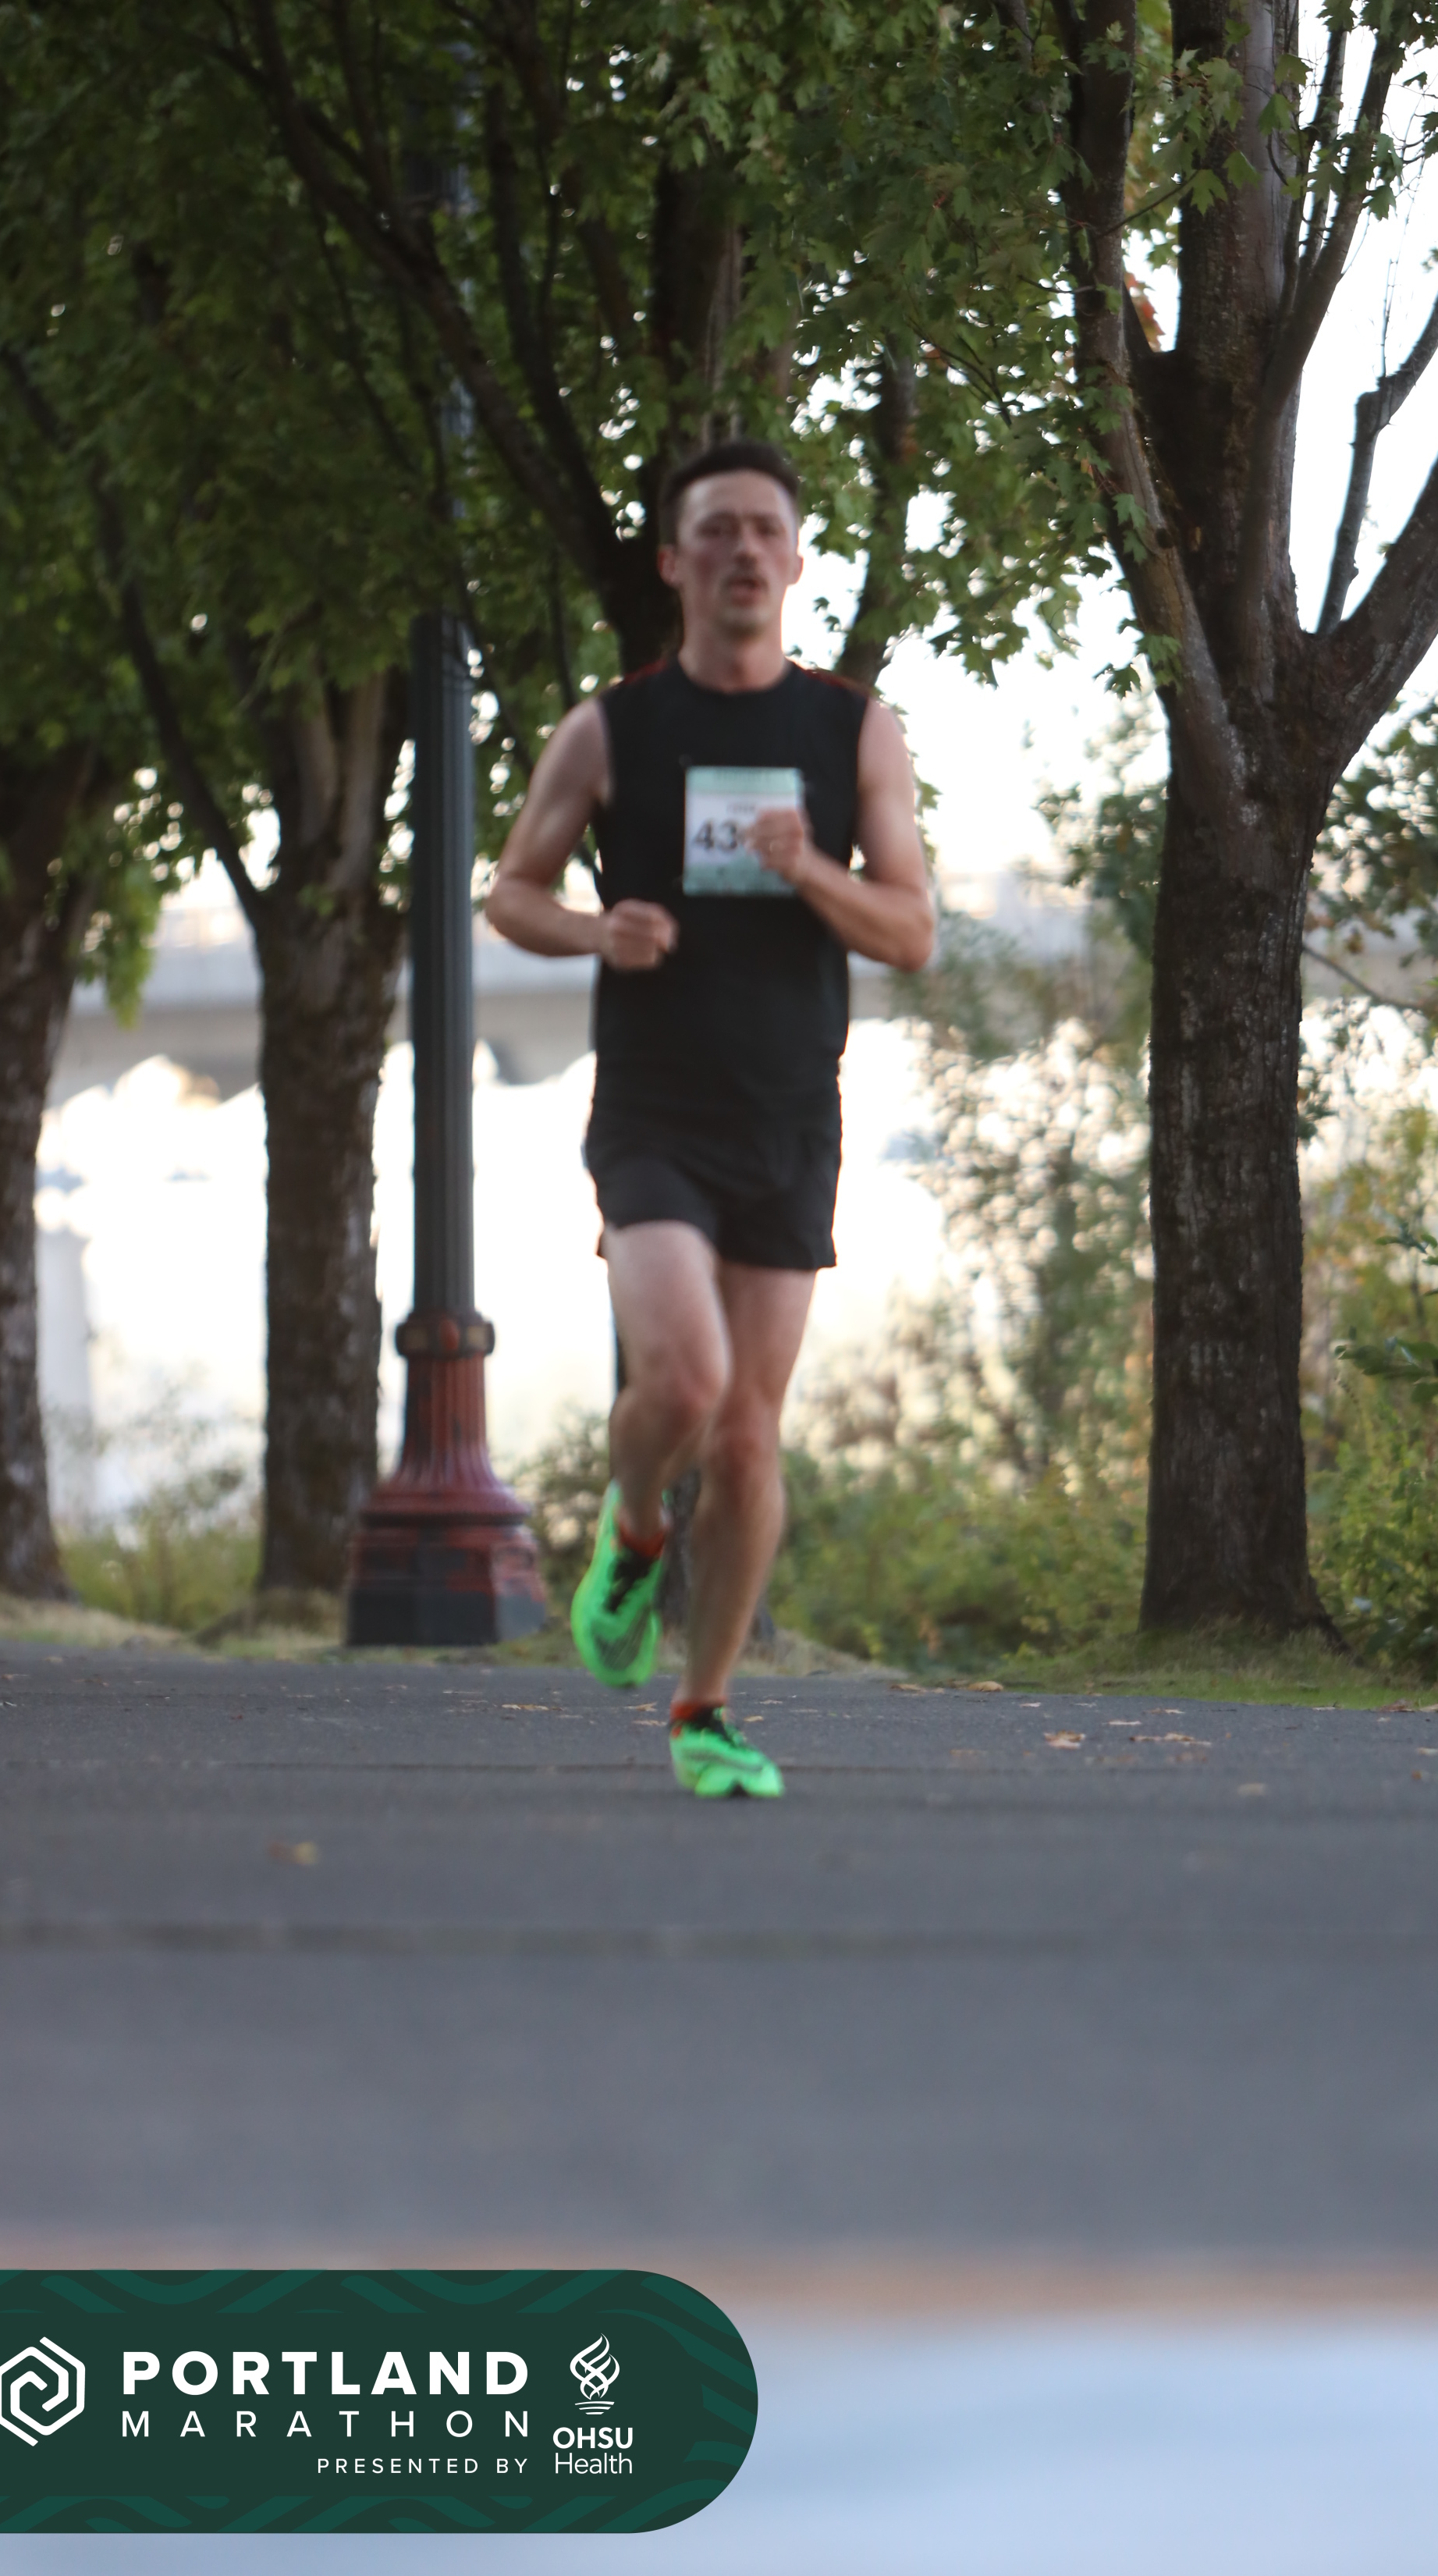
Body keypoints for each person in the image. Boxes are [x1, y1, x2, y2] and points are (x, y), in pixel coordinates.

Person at [488, 438, 934, 1796]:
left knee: (745, 1437)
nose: (743, 548)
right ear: (675, 563)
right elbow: (512, 890)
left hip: (791, 1113)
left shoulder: (852, 728)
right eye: (717, 530)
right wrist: (594, 931)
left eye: (764, 530)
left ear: (795, 562)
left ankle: (705, 1711)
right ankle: (633, 1529)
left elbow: (911, 931)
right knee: (682, 1381)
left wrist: (813, 873)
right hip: (654, 1110)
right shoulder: (612, 727)